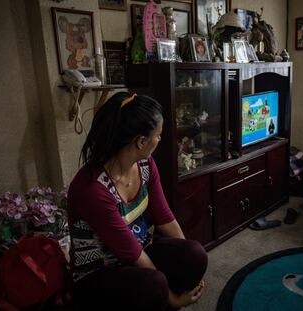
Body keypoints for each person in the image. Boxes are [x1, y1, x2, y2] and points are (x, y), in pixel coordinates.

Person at [68, 92, 208, 310]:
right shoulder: (93, 190)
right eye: (158, 135)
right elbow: (130, 253)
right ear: (141, 141)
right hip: (99, 273)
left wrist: (189, 259)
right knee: (155, 285)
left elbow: (164, 217)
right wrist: (173, 299)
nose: (160, 139)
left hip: (138, 251)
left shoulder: (145, 165)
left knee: (194, 254)